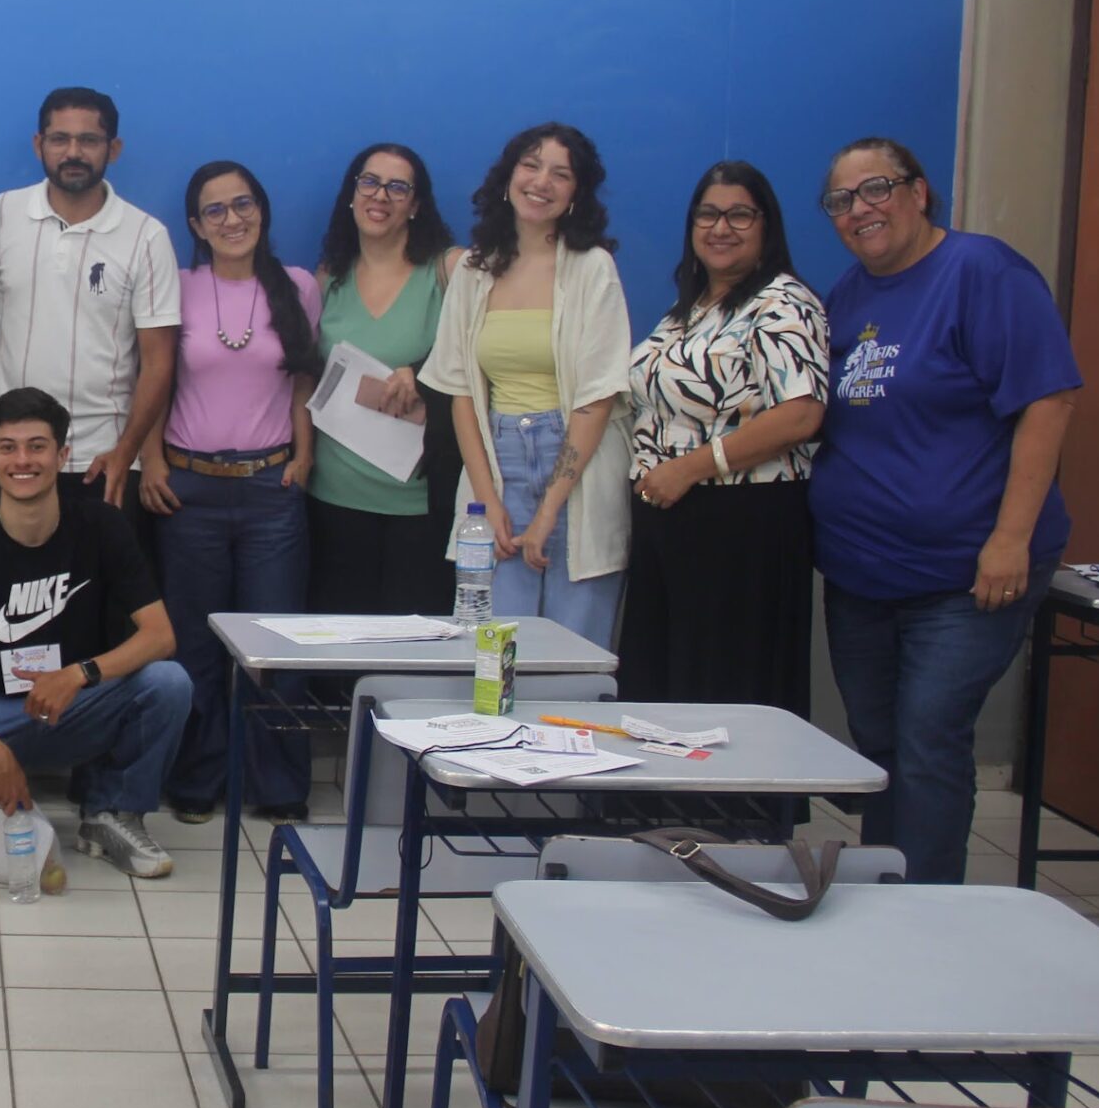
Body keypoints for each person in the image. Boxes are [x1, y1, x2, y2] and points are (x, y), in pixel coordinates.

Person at [809, 137, 1078, 884]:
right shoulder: (847, 298)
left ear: (919, 192)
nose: (860, 210)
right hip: (862, 576)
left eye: (877, 189)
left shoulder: (982, 272)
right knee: (879, 744)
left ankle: (928, 911)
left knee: (929, 738)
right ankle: (888, 889)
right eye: (841, 200)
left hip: (966, 575)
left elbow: (1048, 401)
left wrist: (1011, 538)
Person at [0, 387, 192, 879]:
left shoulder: (102, 526)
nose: (23, 460)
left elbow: (160, 636)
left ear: (62, 455)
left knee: (169, 682)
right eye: (8, 448)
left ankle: (111, 814)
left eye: (37, 446)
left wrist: (79, 673)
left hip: (77, 703)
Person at [140, 162, 322, 821]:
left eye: (242, 204)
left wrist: (304, 454)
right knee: (195, 644)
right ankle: (197, 777)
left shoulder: (298, 286)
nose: (231, 219)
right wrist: (150, 458)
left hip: (272, 489)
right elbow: (152, 375)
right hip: (189, 490)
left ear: (262, 211)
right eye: (214, 210)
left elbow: (302, 380)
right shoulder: (178, 285)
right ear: (196, 225)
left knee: (275, 643)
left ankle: (277, 785)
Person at [420, 123, 632, 648]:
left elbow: (597, 399)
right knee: (493, 651)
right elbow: (461, 394)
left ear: (577, 192)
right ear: (508, 176)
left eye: (561, 174)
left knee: (572, 654)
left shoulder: (593, 268)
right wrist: (488, 502)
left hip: (577, 469)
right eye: (531, 166)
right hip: (499, 463)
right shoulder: (474, 270)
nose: (541, 182)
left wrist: (549, 510)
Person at [625, 162, 828, 711]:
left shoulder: (783, 303)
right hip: (671, 524)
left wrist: (689, 468)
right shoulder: (689, 309)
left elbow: (801, 414)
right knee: (664, 692)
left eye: (740, 215)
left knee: (724, 694)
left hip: (741, 524)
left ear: (767, 225)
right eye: (708, 214)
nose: (721, 228)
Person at [0, 86, 180, 516]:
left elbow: (158, 362)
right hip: (9, 453)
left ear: (113, 149)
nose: (73, 152)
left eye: (89, 140)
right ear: (38, 144)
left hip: (102, 458)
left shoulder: (146, 236)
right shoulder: (4, 213)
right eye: (60, 139)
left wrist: (127, 452)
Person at [308, 143, 461, 618]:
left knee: (415, 643)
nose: (380, 196)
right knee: (340, 644)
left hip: (421, 502)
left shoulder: (450, 270)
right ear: (352, 195)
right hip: (334, 496)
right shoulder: (328, 278)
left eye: (398, 187)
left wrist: (422, 372)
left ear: (416, 205)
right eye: (369, 182)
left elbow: (481, 355)